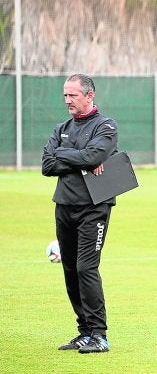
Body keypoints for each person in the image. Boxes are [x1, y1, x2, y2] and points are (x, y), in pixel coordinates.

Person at [42, 74, 118, 354]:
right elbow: (47, 165)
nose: (67, 100)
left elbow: (94, 157)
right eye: (65, 95)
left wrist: (69, 155)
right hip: (64, 205)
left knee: (86, 268)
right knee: (71, 270)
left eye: (73, 95)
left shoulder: (106, 126)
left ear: (89, 96)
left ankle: (99, 335)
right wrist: (81, 157)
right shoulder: (61, 127)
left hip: (94, 208)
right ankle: (84, 332)